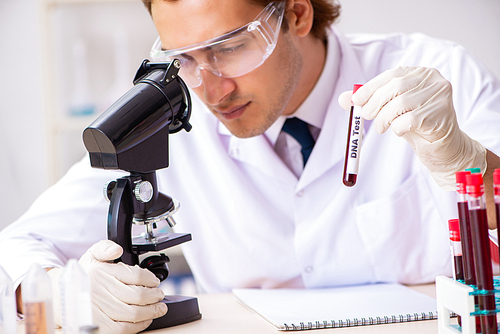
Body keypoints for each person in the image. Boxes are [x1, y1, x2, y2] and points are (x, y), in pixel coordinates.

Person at [1, 0, 500, 332]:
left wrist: (461, 159)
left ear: (298, 15)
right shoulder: (171, 115)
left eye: (228, 48)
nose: (210, 88)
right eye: (184, 59)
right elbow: (18, 248)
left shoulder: (438, 75)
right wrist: (76, 292)